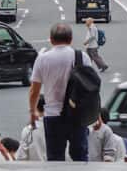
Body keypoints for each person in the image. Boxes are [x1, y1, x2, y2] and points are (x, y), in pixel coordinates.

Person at [28, 23, 89, 162]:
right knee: (80, 157)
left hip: (53, 115)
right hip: (77, 115)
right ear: (71, 39)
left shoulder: (42, 59)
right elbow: (89, 88)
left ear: (51, 39)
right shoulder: (82, 57)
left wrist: (32, 111)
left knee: (55, 158)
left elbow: (34, 90)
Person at [16, 94, 47, 160]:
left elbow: (21, 156)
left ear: (34, 108)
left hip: (35, 168)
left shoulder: (28, 130)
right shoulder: (59, 126)